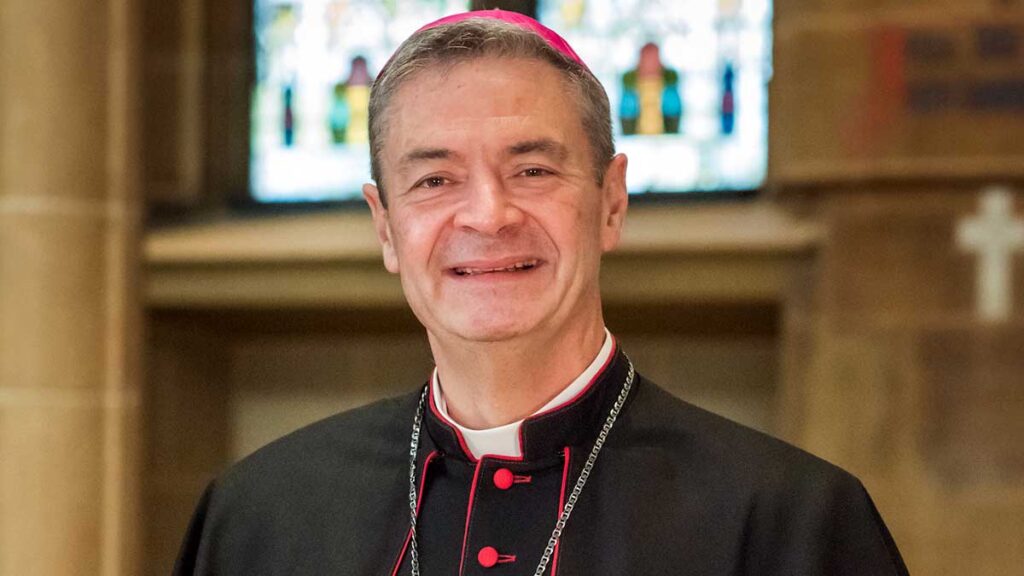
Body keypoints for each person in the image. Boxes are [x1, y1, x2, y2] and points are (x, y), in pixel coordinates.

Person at [174, 10, 909, 575]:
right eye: (435, 179)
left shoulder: (790, 524)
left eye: (533, 171)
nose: (488, 215)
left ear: (611, 202)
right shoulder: (258, 517)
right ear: (386, 228)